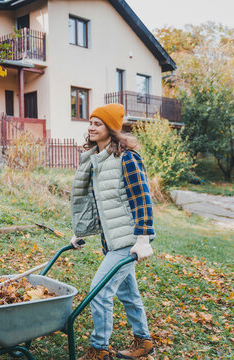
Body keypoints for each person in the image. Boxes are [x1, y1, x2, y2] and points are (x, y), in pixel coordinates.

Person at [70, 103, 155, 360]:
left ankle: (99, 348)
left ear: (111, 129)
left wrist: (143, 239)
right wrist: (81, 232)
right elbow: (99, 202)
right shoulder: (99, 159)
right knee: (128, 294)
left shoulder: (126, 158)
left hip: (128, 240)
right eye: (91, 122)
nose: (91, 127)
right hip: (114, 240)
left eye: (98, 123)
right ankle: (144, 343)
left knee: (100, 291)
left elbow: (141, 198)